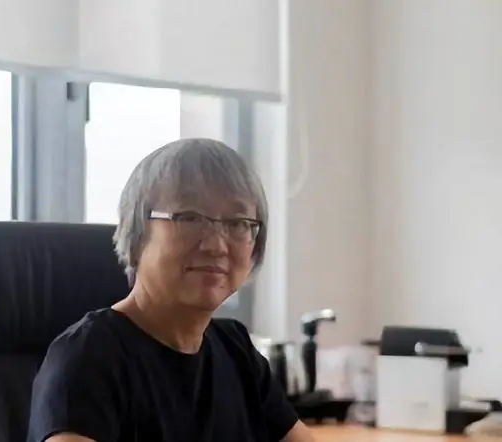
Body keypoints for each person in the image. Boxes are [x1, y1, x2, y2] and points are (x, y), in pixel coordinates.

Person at [27, 138, 314, 442]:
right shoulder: (87, 357)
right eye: (190, 217)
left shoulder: (236, 351)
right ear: (137, 233)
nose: (217, 245)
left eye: (237, 223)